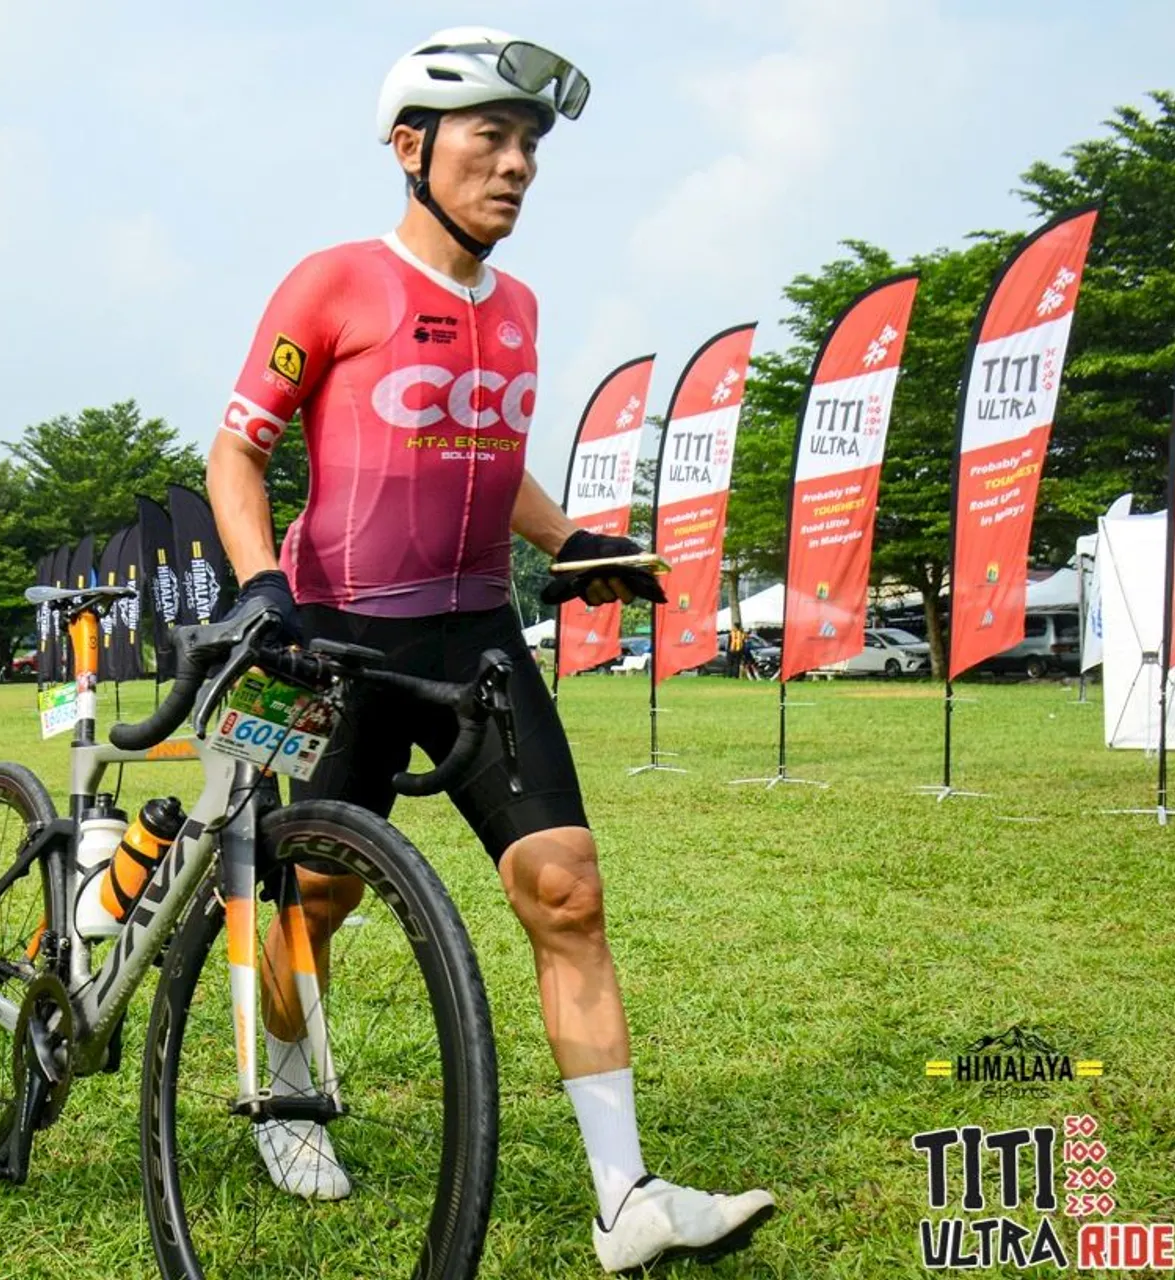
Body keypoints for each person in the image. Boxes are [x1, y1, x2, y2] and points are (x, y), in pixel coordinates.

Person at [205, 27, 775, 1273]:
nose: (515, 166)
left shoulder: (514, 308)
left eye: (529, 146)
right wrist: (261, 586)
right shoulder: (333, 284)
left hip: (476, 635)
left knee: (566, 885)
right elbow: (237, 448)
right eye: (489, 138)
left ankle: (624, 1196)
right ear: (411, 148)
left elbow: (486, 455)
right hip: (340, 632)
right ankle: (286, 1094)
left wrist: (571, 540)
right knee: (317, 895)